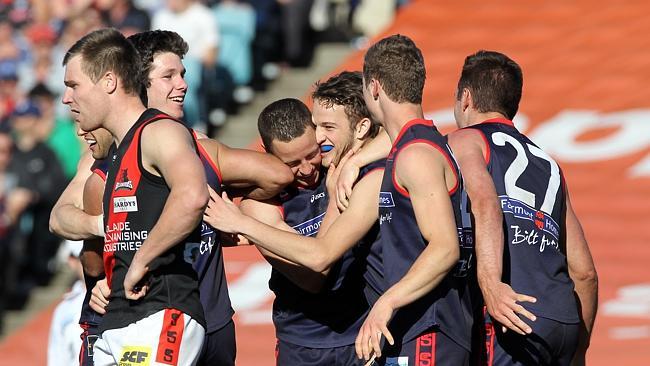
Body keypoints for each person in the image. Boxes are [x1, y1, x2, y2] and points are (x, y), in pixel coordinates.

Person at [52, 29, 293, 366]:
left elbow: (272, 176)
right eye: (169, 75)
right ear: (139, 82)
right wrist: (106, 239)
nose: (182, 85)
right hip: (130, 313)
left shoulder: (184, 142)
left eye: (182, 74)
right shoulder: (106, 153)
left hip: (190, 314)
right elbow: (61, 218)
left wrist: (222, 212)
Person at [204, 73, 383, 365]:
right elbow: (314, 277)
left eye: (312, 154)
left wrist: (358, 160)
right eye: (292, 163)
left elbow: (400, 133)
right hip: (304, 342)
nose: (308, 169)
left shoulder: (342, 161)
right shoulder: (259, 204)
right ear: (267, 154)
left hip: (364, 330)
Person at [62, 28, 207, 365]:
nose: (67, 98)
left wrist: (141, 260)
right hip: (118, 319)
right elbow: (61, 219)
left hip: (160, 311)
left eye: (74, 86)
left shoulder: (159, 130)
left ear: (109, 81)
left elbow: (192, 196)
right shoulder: (113, 151)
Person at [448, 50, 598, 366]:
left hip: (510, 314)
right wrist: (580, 349)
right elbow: (584, 273)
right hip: (562, 322)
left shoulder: (465, 141)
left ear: (466, 98)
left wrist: (490, 285)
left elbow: (485, 203)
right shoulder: (550, 165)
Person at [353, 34, 474, 364]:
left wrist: (386, 302)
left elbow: (445, 247)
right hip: (420, 328)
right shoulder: (416, 144)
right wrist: (354, 160)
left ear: (374, 87)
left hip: (430, 328)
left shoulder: (415, 154)